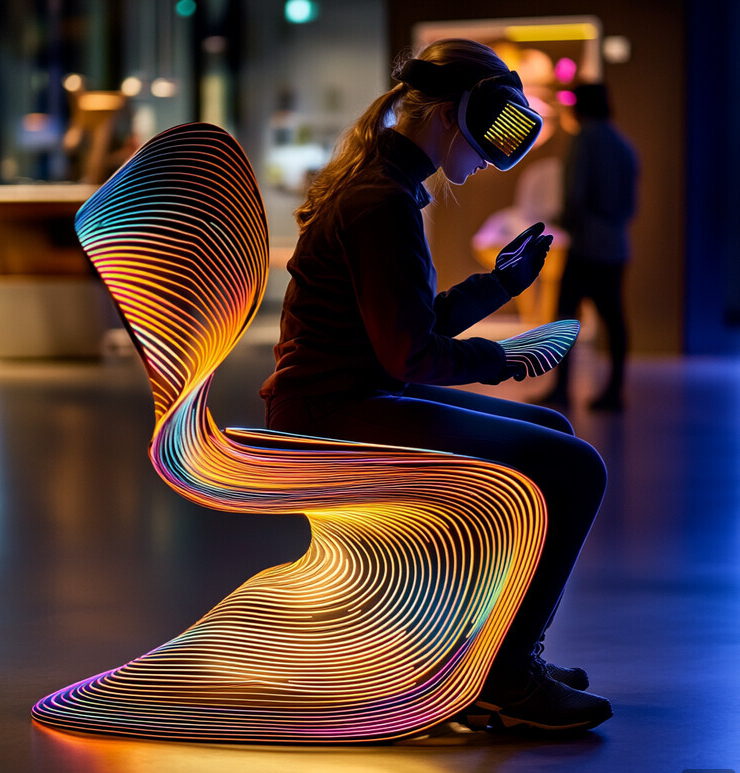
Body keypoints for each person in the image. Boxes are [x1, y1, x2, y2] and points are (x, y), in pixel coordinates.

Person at [260, 39, 612, 734]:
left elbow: (405, 328)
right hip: (332, 411)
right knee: (574, 469)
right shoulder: (380, 201)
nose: (487, 157)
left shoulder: (384, 188)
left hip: (348, 395)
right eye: (488, 136)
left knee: (558, 440)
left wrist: (503, 284)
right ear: (453, 116)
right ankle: (508, 674)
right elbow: (409, 354)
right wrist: (502, 358)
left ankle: (497, 656)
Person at [541, 83, 639, 411]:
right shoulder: (623, 144)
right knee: (614, 319)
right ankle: (614, 391)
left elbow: (575, 196)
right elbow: (630, 205)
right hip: (616, 246)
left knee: (564, 317)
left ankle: (561, 389)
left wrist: (564, 220)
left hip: (585, 246)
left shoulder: (585, 140)